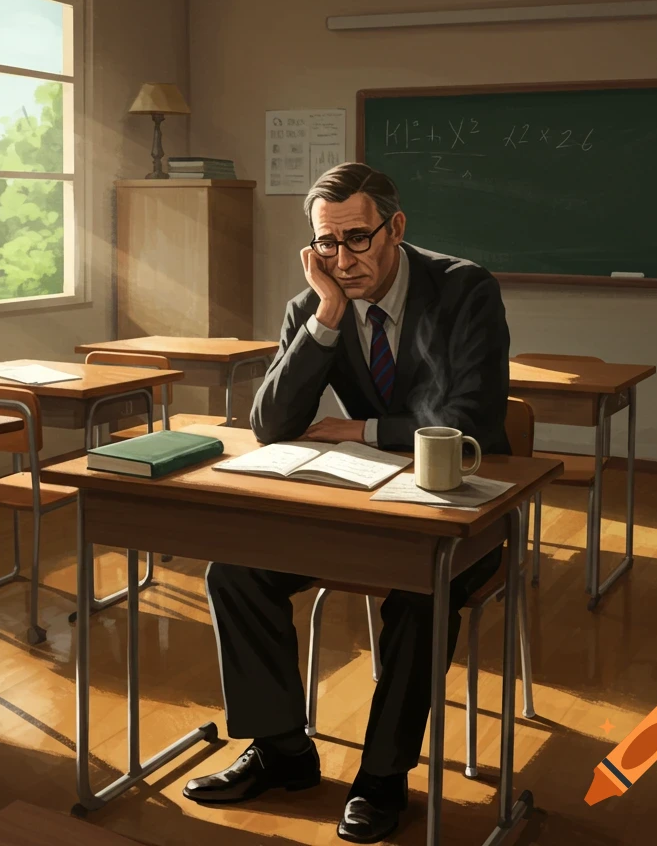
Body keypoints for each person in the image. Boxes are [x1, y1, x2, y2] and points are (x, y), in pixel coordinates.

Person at [183, 162, 511, 843]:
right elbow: (271, 425)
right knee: (235, 572)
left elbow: (472, 422)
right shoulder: (315, 304)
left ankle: (383, 777)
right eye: (325, 243)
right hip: (363, 511)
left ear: (396, 228)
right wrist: (328, 315)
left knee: (422, 592)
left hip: (462, 511)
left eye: (357, 238)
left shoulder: (464, 289)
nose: (341, 259)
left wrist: (360, 430)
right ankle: (282, 750)